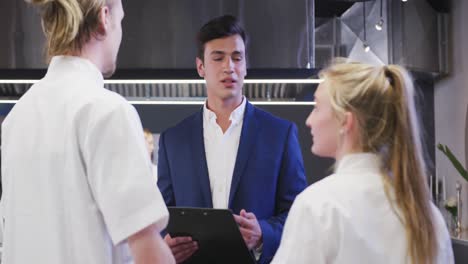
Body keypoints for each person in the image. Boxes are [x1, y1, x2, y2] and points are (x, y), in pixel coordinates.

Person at [0, 0, 175, 263]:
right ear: (105, 18)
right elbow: (149, 252)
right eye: (121, 20)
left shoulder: (16, 120)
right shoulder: (107, 111)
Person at [157, 15, 307, 264]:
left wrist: (263, 233)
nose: (229, 67)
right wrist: (166, 243)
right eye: (218, 58)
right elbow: (162, 215)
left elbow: (299, 214)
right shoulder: (174, 140)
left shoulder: (279, 134)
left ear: (246, 66)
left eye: (237, 58)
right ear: (201, 67)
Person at [271, 60, 454, 264]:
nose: (309, 120)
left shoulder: (318, 206)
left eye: (317, 107)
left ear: (345, 122)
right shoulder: (429, 218)